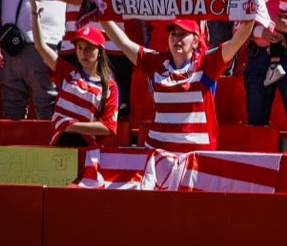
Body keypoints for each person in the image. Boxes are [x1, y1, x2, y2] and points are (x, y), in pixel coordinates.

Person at [99, 16, 255, 152]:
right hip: (158, 152)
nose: (176, 39)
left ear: (195, 40)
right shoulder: (156, 62)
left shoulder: (206, 63)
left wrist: (252, 17)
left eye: (183, 34)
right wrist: (102, 16)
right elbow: (123, 42)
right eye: (173, 34)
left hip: (196, 155)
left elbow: (237, 42)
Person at [30, 13, 117, 148]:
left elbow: (108, 127)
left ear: (100, 51)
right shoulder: (67, 72)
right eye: (80, 48)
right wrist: (35, 14)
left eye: (89, 48)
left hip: (88, 150)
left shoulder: (110, 86)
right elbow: (40, 46)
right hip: (61, 146)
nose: (84, 53)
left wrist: (72, 126)